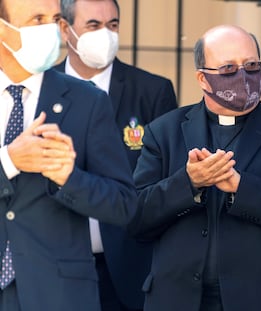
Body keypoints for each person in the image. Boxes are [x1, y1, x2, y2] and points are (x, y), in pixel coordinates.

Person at [128, 24, 261, 311]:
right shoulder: (164, 132)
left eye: (251, 66)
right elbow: (135, 217)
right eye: (228, 70)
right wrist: (188, 183)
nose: (243, 77)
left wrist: (242, 188)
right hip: (180, 300)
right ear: (202, 78)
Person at [0, 0, 137, 310]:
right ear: (2, 30)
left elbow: (124, 205)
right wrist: (8, 161)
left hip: (59, 295)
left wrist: (68, 178)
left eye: (55, 18)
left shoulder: (88, 101)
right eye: (37, 19)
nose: (51, 30)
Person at [55, 1, 178, 310]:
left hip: (128, 269)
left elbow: (169, 183)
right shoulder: (39, 88)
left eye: (113, 25)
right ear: (64, 29)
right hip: (54, 268)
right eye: (94, 25)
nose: (106, 34)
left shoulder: (152, 91)